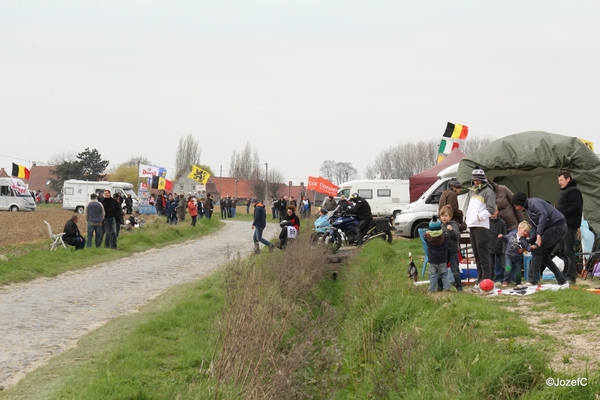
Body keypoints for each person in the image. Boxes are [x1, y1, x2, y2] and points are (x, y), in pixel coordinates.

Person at [511, 192, 567, 286]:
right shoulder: (529, 210)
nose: (517, 208)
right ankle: (561, 279)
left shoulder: (533, 202)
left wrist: (539, 234)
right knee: (544, 256)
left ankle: (533, 280)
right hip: (559, 228)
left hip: (557, 226)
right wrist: (528, 242)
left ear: (521, 202)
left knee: (537, 251)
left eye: (516, 205)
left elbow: (543, 215)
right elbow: (534, 227)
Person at [465, 167, 496, 291]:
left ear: (483, 179)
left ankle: (486, 280)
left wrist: (479, 217)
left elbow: (491, 209)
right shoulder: (472, 192)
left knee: (483, 255)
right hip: (472, 226)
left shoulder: (488, 191)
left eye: (478, 180)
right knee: (476, 255)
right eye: (474, 179)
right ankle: (480, 279)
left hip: (481, 226)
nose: (476, 182)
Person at [556, 171, 583, 285]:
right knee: (562, 251)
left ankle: (571, 277)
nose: (559, 183)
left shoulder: (573, 191)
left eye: (561, 180)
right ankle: (563, 275)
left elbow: (576, 208)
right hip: (563, 225)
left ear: (568, 179)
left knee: (568, 251)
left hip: (570, 225)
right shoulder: (565, 192)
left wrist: (560, 213)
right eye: (558, 181)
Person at [499, 221, 534, 286]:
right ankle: (505, 281)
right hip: (509, 255)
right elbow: (506, 238)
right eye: (524, 231)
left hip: (518, 257)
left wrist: (531, 248)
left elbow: (527, 247)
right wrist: (501, 237)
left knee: (518, 271)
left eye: (527, 232)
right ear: (519, 228)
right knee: (508, 267)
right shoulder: (511, 234)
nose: (525, 233)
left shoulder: (524, 240)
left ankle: (518, 282)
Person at [440, 205, 463, 292]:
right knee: (441, 268)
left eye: (445, 216)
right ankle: (440, 286)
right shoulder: (441, 226)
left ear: (450, 216)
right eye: (442, 216)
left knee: (455, 269)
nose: (443, 218)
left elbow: (458, 236)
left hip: (453, 250)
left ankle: (459, 287)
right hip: (444, 250)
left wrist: (451, 230)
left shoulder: (454, 225)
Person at [425, 216, 450, 292]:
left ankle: (431, 289)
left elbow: (425, 235)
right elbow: (448, 235)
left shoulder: (427, 238)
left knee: (433, 275)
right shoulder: (445, 237)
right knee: (444, 274)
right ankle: (447, 288)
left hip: (432, 260)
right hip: (442, 259)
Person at [489, 206, 507, 286]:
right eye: (491, 210)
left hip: (500, 247)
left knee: (505, 264)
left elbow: (505, 236)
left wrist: (504, 248)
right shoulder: (486, 222)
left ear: (498, 211)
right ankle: (491, 281)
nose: (493, 212)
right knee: (490, 266)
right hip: (489, 248)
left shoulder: (502, 223)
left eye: (495, 210)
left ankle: (506, 280)